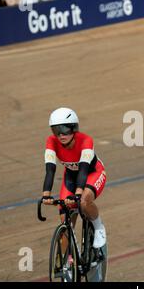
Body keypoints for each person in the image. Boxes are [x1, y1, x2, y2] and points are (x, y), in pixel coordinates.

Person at [41, 107, 107, 249]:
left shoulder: (85, 141)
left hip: (92, 173)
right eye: (56, 130)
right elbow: (50, 169)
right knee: (65, 219)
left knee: (83, 201)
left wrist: (77, 194)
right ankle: (69, 259)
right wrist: (45, 194)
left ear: (74, 128)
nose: (61, 135)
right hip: (70, 177)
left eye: (65, 129)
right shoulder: (51, 141)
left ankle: (99, 227)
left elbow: (83, 169)